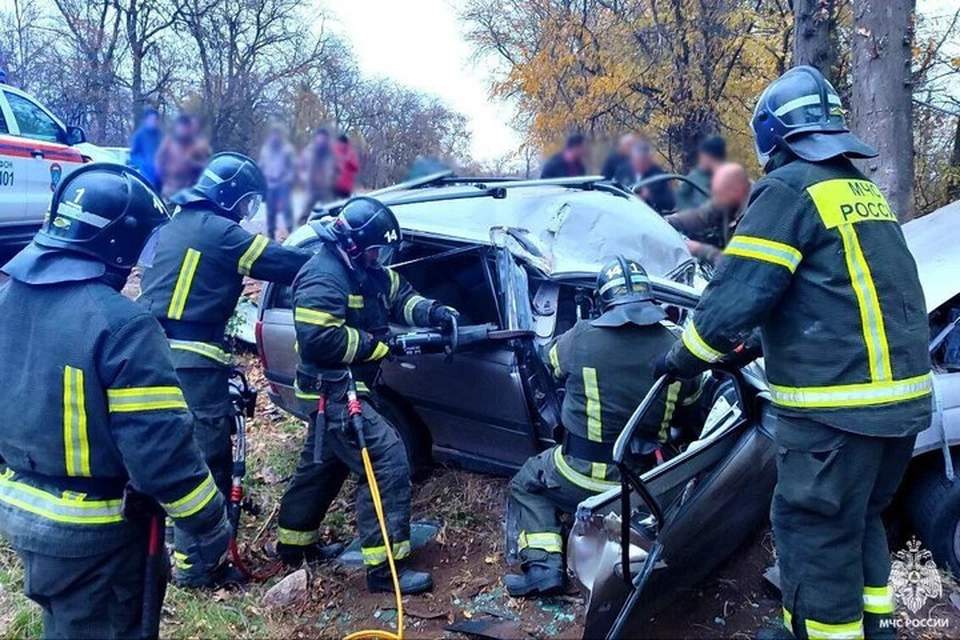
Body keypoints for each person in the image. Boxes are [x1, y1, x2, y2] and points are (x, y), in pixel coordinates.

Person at [656, 66, 932, 640]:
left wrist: (684, 356)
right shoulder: (862, 192)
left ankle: (821, 633)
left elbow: (737, 292)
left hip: (837, 413)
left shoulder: (788, 190)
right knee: (857, 522)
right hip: (900, 407)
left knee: (811, 526)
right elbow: (836, 298)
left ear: (772, 136)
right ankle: (874, 626)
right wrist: (756, 342)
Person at [0, 164, 231, 637]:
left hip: (20, 511)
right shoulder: (123, 325)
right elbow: (161, 453)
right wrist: (210, 521)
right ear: (117, 242)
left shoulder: (7, 299)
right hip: (95, 534)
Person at [138, 153, 314, 587]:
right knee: (206, 456)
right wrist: (322, 246)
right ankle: (199, 567)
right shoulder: (219, 232)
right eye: (248, 203)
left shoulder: (174, 226)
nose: (246, 213)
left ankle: (174, 548)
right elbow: (280, 263)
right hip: (192, 363)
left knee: (170, 452)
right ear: (232, 196)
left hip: (154, 353)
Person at [275, 197, 459, 594]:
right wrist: (380, 345)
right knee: (386, 460)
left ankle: (293, 544)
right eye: (378, 249)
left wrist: (433, 312)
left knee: (324, 462)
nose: (383, 257)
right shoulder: (323, 276)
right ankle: (384, 568)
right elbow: (319, 340)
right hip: (331, 390)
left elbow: (399, 294)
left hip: (347, 386)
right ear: (355, 244)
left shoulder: (365, 268)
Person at [505, 257, 699, 598]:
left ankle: (543, 568)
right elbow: (692, 398)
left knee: (527, 483)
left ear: (602, 302)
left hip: (577, 477)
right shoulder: (678, 344)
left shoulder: (580, 337)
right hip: (643, 487)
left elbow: (551, 365)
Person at [665, 162, 751, 265]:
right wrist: (667, 221)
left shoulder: (754, 218)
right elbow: (701, 216)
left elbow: (738, 267)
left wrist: (701, 250)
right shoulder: (728, 199)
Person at [155, 114, 211, 202]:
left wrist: (192, 163)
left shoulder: (199, 146)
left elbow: (207, 166)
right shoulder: (169, 142)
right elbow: (159, 160)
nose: (183, 130)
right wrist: (162, 175)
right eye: (181, 127)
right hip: (170, 187)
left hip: (190, 189)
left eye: (186, 128)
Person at [259, 124, 297, 240]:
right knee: (270, 212)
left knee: (287, 209)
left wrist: (287, 180)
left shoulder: (287, 150)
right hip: (269, 184)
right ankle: (270, 237)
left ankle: (292, 235)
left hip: (283, 184)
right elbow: (261, 165)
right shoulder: (266, 150)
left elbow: (292, 167)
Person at [674, 135, 726, 210]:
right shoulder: (696, 176)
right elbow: (681, 197)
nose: (703, 159)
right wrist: (689, 211)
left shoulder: (727, 177)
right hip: (695, 216)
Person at [298, 128, 335, 224]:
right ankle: (298, 233)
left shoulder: (329, 152)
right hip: (312, 186)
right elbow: (301, 166)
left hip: (326, 187)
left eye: (323, 138)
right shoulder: (309, 151)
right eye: (319, 137)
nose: (321, 140)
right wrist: (304, 177)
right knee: (305, 211)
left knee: (331, 211)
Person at [630, 139, 676, 214]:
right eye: (637, 161)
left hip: (651, 216)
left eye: (644, 161)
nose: (640, 164)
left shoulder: (658, 175)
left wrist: (650, 197)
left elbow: (670, 203)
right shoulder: (624, 172)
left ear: (649, 160)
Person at [129, 107, 163, 190]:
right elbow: (133, 154)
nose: (153, 121)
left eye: (155, 119)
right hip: (146, 175)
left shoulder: (161, 135)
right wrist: (143, 164)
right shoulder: (140, 135)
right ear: (146, 120)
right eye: (151, 119)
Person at [333, 133, 360, 199]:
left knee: (344, 204)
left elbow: (356, 168)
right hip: (336, 185)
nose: (342, 145)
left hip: (346, 186)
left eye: (344, 143)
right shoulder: (334, 152)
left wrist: (349, 161)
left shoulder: (350, 153)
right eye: (341, 143)